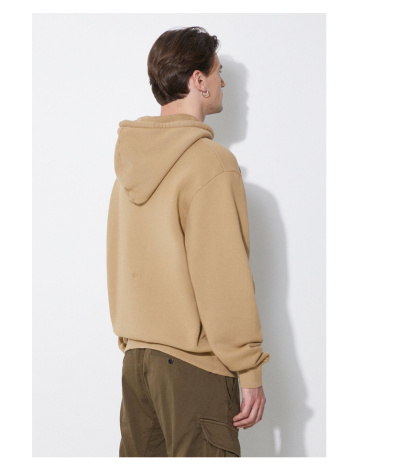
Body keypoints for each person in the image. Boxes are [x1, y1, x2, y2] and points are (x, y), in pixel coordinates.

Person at [106, 26, 270, 457]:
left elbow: (119, 264)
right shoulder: (211, 163)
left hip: (137, 365)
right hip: (193, 369)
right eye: (217, 72)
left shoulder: (126, 171)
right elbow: (223, 277)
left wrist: (135, 343)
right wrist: (249, 367)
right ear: (199, 81)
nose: (223, 83)